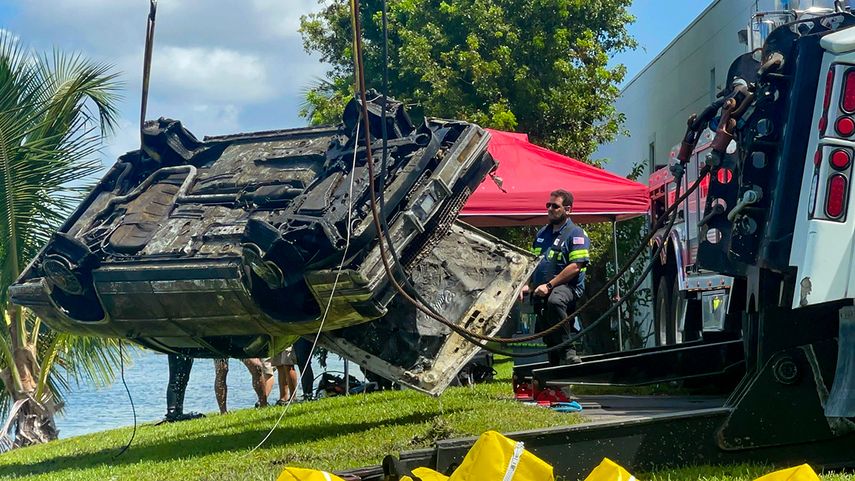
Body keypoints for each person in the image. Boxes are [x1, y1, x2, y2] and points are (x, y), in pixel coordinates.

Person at [521, 189, 590, 366]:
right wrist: (526, 284)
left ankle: (569, 350)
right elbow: (533, 263)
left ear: (568, 210)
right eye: (548, 205)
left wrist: (549, 286)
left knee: (554, 302)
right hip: (541, 290)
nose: (550, 209)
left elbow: (576, 266)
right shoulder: (541, 234)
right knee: (548, 334)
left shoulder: (576, 234)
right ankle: (554, 373)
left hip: (568, 288)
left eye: (555, 206)